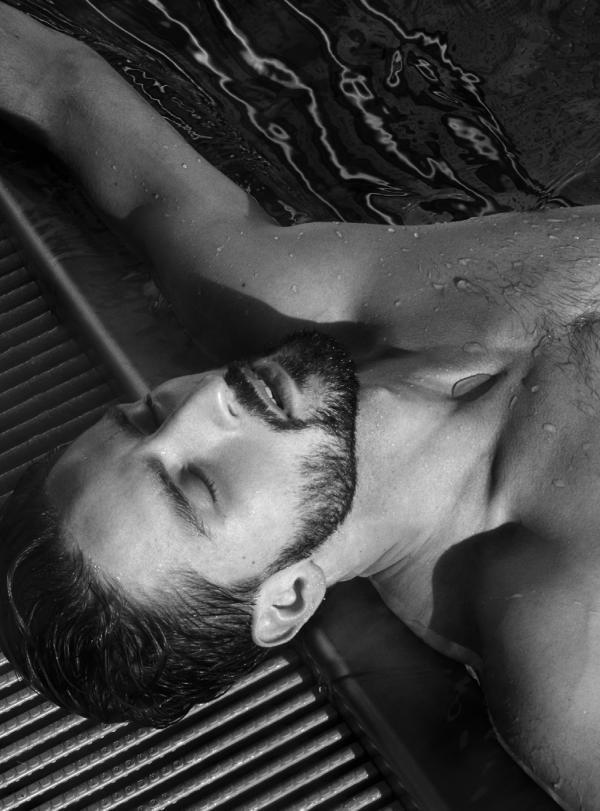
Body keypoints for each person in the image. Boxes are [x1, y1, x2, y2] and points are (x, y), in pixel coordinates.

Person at [0, 5, 599, 809]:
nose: (206, 400)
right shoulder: (567, 651)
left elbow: (56, 86)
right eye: (199, 485)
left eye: (144, 415)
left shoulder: (291, 290)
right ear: (287, 597)